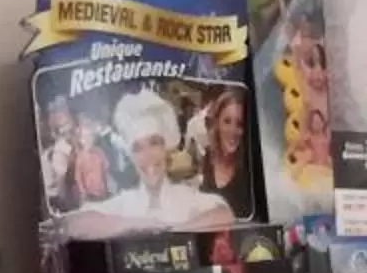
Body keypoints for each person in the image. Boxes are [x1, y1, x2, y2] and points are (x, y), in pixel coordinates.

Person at [81, 90, 232, 232]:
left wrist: (172, 232)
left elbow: (223, 213)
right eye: (138, 148)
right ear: (131, 157)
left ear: (166, 148)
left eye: (154, 143)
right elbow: (76, 223)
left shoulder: (186, 198)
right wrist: (135, 225)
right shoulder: (125, 203)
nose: (148, 155)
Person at [195, 87, 259, 218]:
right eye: (227, 121)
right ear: (217, 123)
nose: (233, 131)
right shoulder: (209, 156)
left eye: (240, 124)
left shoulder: (251, 167)